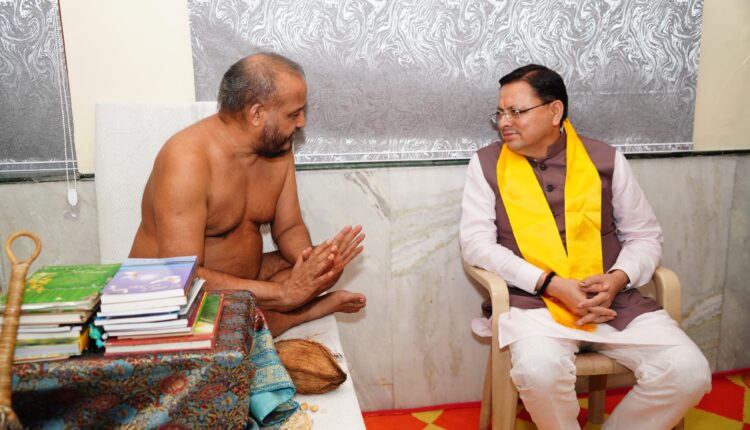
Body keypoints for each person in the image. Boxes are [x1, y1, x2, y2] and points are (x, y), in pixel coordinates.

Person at [459, 64, 710, 429]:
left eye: (516, 111)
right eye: (500, 113)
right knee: (539, 371)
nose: (504, 122)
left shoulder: (605, 159)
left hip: (614, 303)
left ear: (554, 111)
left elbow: (644, 235)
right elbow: (476, 245)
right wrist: (549, 284)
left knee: (688, 372)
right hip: (535, 305)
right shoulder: (485, 164)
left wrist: (618, 279)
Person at [130, 52, 366, 336]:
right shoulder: (186, 161)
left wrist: (310, 264)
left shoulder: (277, 147)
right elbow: (183, 275)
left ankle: (284, 304)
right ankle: (304, 311)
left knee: (326, 266)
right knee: (232, 325)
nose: (302, 122)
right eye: (293, 114)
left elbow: (289, 227)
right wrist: (283, 294)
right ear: (256, 114)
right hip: (173, 297)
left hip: (240, 283)